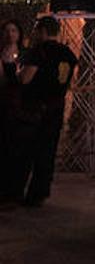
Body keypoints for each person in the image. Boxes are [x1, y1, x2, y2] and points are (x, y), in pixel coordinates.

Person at [12, 16, 77, 207]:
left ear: (43, 31)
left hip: (34, 110)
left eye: (36, 30)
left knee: (24, 153)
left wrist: (16, 73)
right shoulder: (68, 54)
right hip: (56, 110)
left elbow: (25, 79)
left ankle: (16, 191)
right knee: (46, 154)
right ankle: (39, 193)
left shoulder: (39, 53)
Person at [0, 20, 25, 204]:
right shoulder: (1, 54)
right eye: (7, 31)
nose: (10, 34)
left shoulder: (24, 55)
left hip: (16, 103)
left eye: (14, 31)